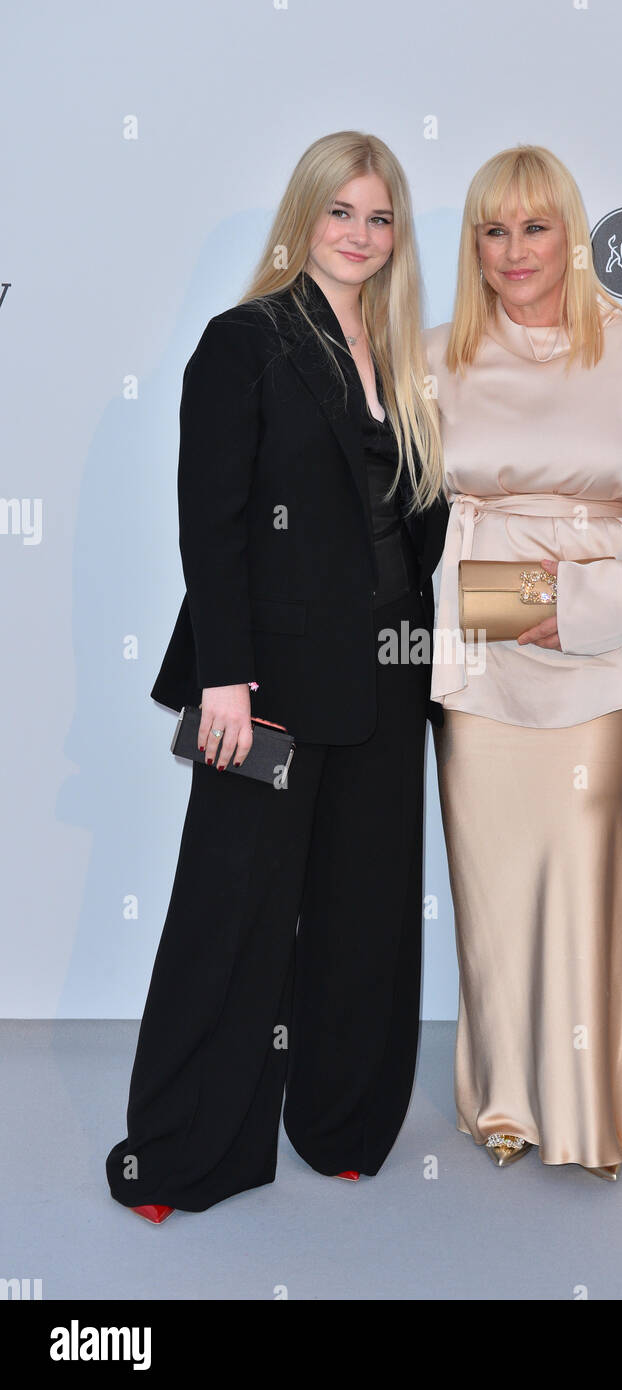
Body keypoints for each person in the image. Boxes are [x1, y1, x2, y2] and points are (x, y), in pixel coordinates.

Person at [105, 130, 448, 1219]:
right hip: (269, 690)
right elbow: (212, 527)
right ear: (303, 219)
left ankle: (343, 1123)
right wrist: (226, 680)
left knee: (367, 907)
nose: (359, 234)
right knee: (233, 910)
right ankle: (181, 1152)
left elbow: (415, 526)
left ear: (397, 237)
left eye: (379, 217)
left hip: (391, 675)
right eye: (341, 211)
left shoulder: (398, 358)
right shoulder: (243, 341)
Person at [424, 145, 622, 1179]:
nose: (513, 251)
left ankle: (590, 1109)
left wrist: (597, 602)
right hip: (477, 641)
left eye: (534, 228)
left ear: (570, 235)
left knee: (584, 862)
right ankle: (503, 1099)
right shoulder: (435, 353)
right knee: (491, 877)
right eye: (492, 231)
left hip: (599, 647)